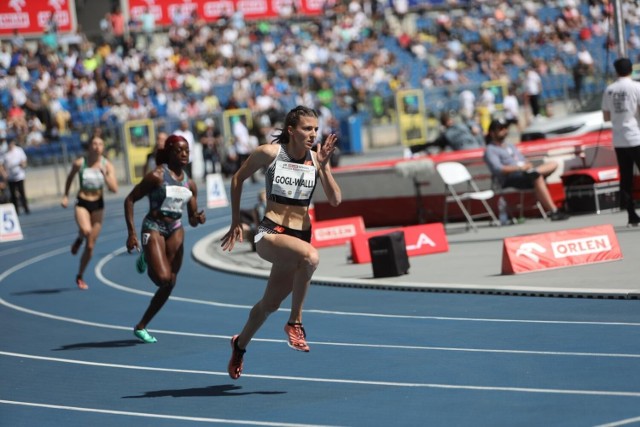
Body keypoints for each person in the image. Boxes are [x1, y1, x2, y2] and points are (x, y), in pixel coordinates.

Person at [221, 106, 341, 380]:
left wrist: (324, 166)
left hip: (298, 236)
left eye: (315, 129)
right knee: (310, 258)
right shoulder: (270, 154)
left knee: (269, 305)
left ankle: (239, 345)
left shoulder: (316, 158)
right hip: (271, 232)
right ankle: (295, 323)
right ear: (291, 130)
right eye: (307, 128)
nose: (313, 134)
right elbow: (238, 178)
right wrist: (235, 221)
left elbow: (335, 200)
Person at [124, 134, 206, 343]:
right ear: (169, 153)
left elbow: (192, 220)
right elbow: (130, 199)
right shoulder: (157, 176)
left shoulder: (190, 184)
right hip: (153, 226)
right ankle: (148, 257)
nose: (184, 154)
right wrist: (132, 233)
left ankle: (141, 326)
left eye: (187, 150)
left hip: (175, 227)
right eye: (179, 150)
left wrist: (198, 218)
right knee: (160, 277)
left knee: (169, 282)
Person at [483, 118, 569, 221]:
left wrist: (527, 165)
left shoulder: (510, 145)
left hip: (525, 172)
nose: (505, 130)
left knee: (553, 163)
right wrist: (519, 168)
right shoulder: (490, 150)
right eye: (501, 128)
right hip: (510, 178)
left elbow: (522, 160)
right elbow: (498, 169)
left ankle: (534, 172)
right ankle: (554, 211)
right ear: (492, 133)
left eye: (506, 128)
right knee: (536, 177)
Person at [61, 136, 119, 290]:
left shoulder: (107, 165)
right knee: (87, 231)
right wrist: (65, 196)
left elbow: (114, 189)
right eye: (94, 143)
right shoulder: (80, 163)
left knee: (91, 245)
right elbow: (69, 178)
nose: (97, 147)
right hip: (82, 202)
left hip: (98, 205)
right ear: (89, 147)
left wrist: (105, 175)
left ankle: (80, 275)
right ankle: (81, 236)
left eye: (100, 144)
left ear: (103, 147)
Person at [601, 57, 640, 227]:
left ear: (616, 71)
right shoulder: (636, 87)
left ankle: (631, 215)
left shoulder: (609, 89)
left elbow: (606, 116)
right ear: (631, 69)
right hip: (636, 136)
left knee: (626, 178)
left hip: (619, 139)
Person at [2, 138, 29, 215]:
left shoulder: (19, 150)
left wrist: (23, 165)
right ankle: (16, 210)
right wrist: (4, 173)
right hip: (10, 176)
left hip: (19, 175)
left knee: (21, 192)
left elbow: (24, 160)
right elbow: (2, 164)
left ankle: (26, 207)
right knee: (13, 194)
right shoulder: (5, 152)